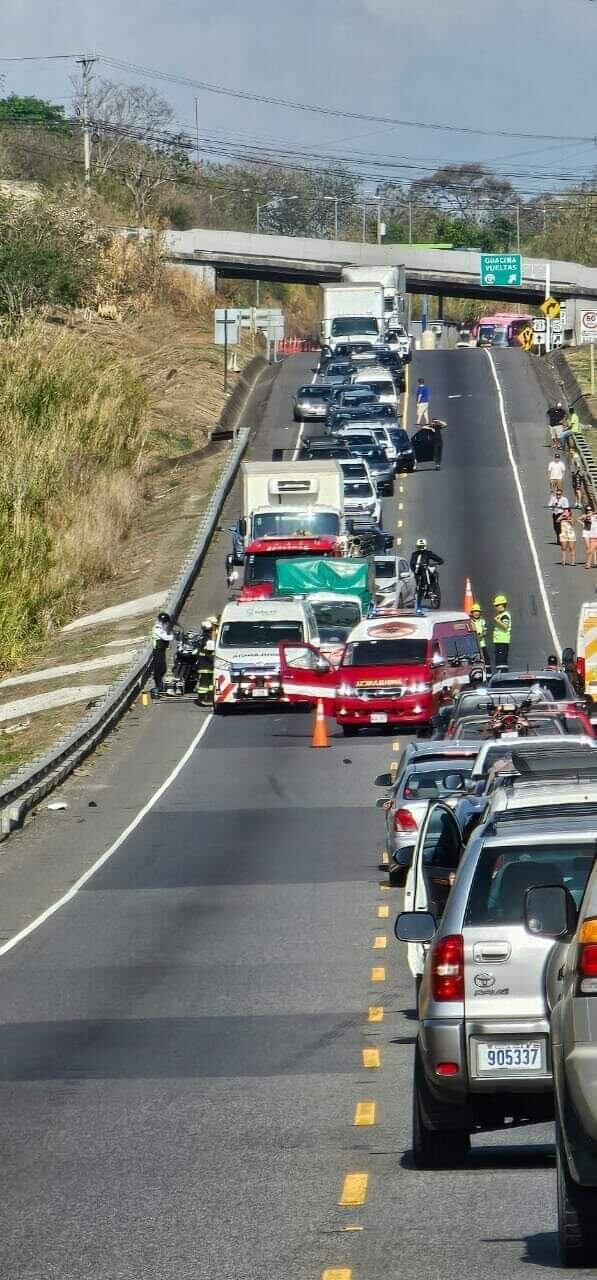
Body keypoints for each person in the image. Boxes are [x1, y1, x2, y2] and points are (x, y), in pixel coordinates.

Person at [410, 537, 443, 606]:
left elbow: (436, 557)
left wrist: (440, 561)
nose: (421, 548)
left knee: (434, 574)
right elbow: (412, 563)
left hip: (426, 569)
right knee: (418, 581)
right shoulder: (414, 554)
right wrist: (415, 570)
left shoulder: (428, 553)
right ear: (417, 547)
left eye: (422, 546)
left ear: (425, 546)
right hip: (418, 571)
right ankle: (418, 594)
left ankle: (434, 589)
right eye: (419, 546)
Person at [152, 610, 174, 695]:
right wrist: (173, 636)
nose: (166, 624)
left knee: (163, 668)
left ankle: (160, 685)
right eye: (165, 622)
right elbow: (164, 637)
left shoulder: (162, 627)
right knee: (159, 669)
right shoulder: (157, 628)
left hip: (161, 650)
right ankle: (158, 687)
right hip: (157, 651)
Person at [492, 593, 512, 669]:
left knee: (501, 662)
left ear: (502, 605)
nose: (496, 607)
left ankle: (502, 675)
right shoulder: (501, 615)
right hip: (499, 641)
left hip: (502, 641)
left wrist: (498, 621)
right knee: (499, 662)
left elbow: (505, 626)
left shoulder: (505, 615)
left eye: (497, 605)